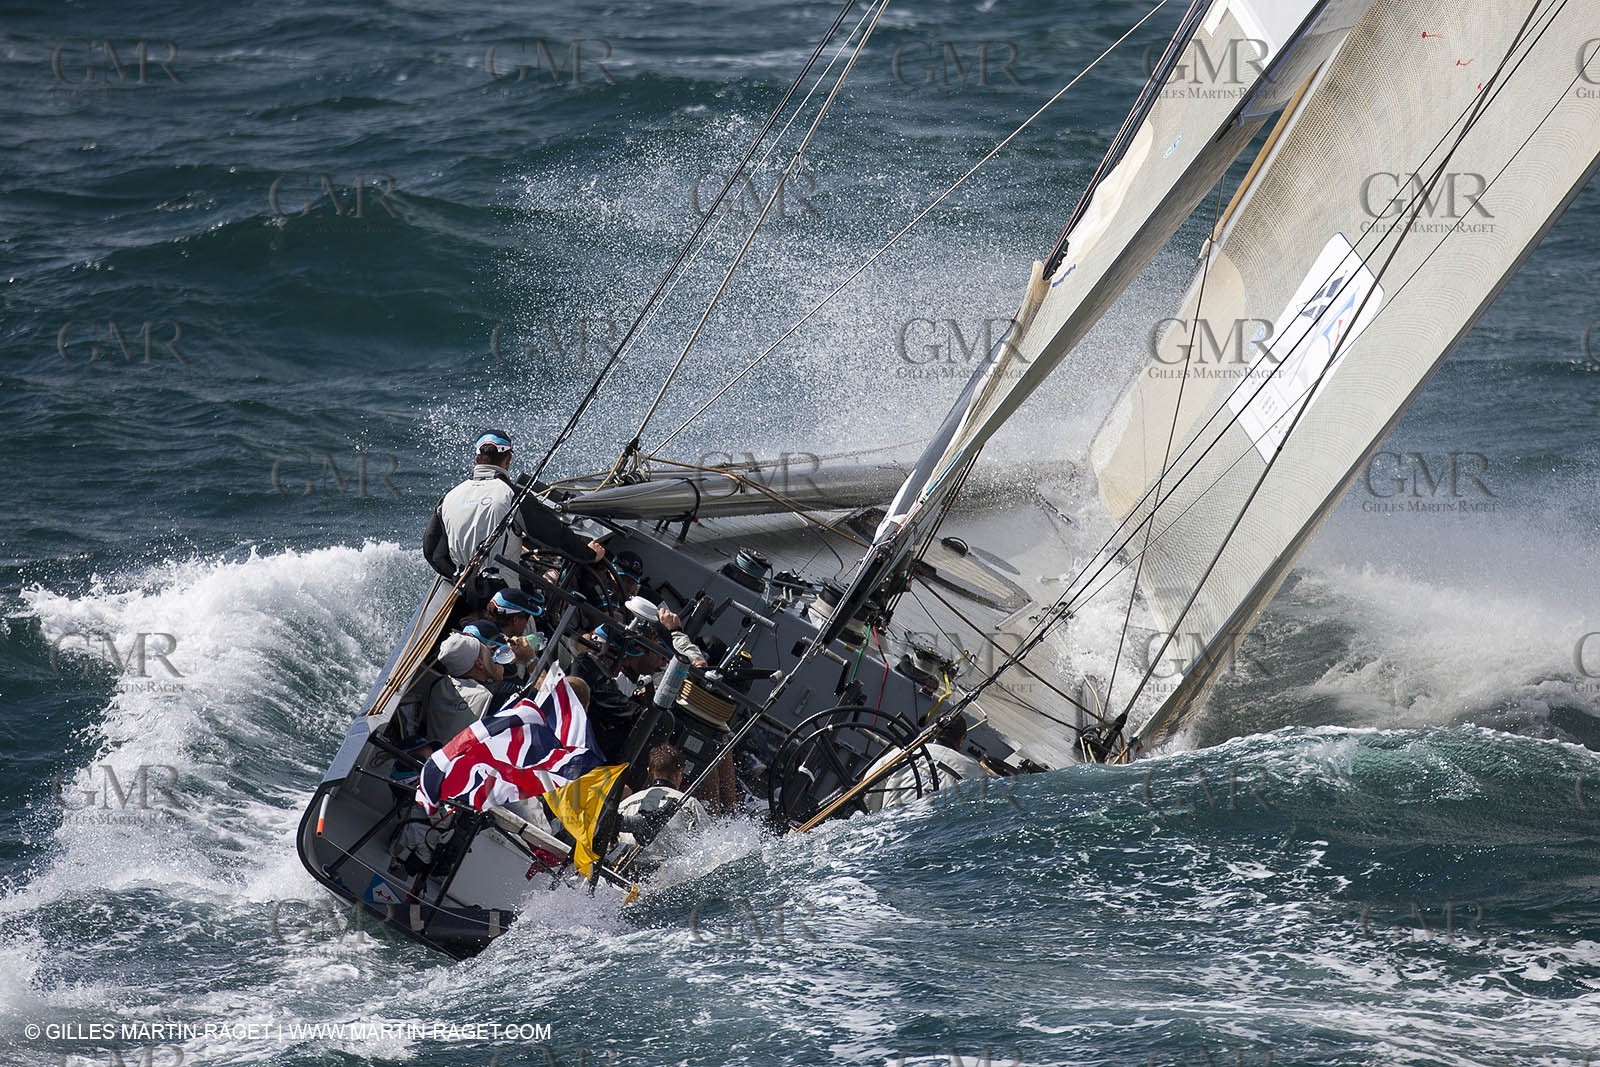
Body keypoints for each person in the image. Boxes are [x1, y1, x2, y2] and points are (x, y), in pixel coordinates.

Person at [422, 430, 605, 583]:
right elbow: (553, 534)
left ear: (477, 459)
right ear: (508, 458)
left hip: (464, 589)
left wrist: (459, 577)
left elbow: (432, 553)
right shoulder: (513, 496)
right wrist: (588, 554)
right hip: (501, 590)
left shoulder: (447, 498)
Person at [612, 744, 708, 870]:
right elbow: (709, 846)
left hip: (624, 871)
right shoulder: (690, 804)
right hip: (668, 876)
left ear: (649, 772)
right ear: (679, 773)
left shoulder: (623, 805)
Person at [864, 715, 988, 812]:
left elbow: (870, 788)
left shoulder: (901, 753)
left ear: (933, 732)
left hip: (885, 830)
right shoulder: (973, 770)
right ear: (961, 741)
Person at [421, 622, 515, 744]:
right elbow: (543, 694)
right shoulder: (496, 695)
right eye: (489, 653)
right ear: (479, 663)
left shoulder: (436, 686)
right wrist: (530, 660)